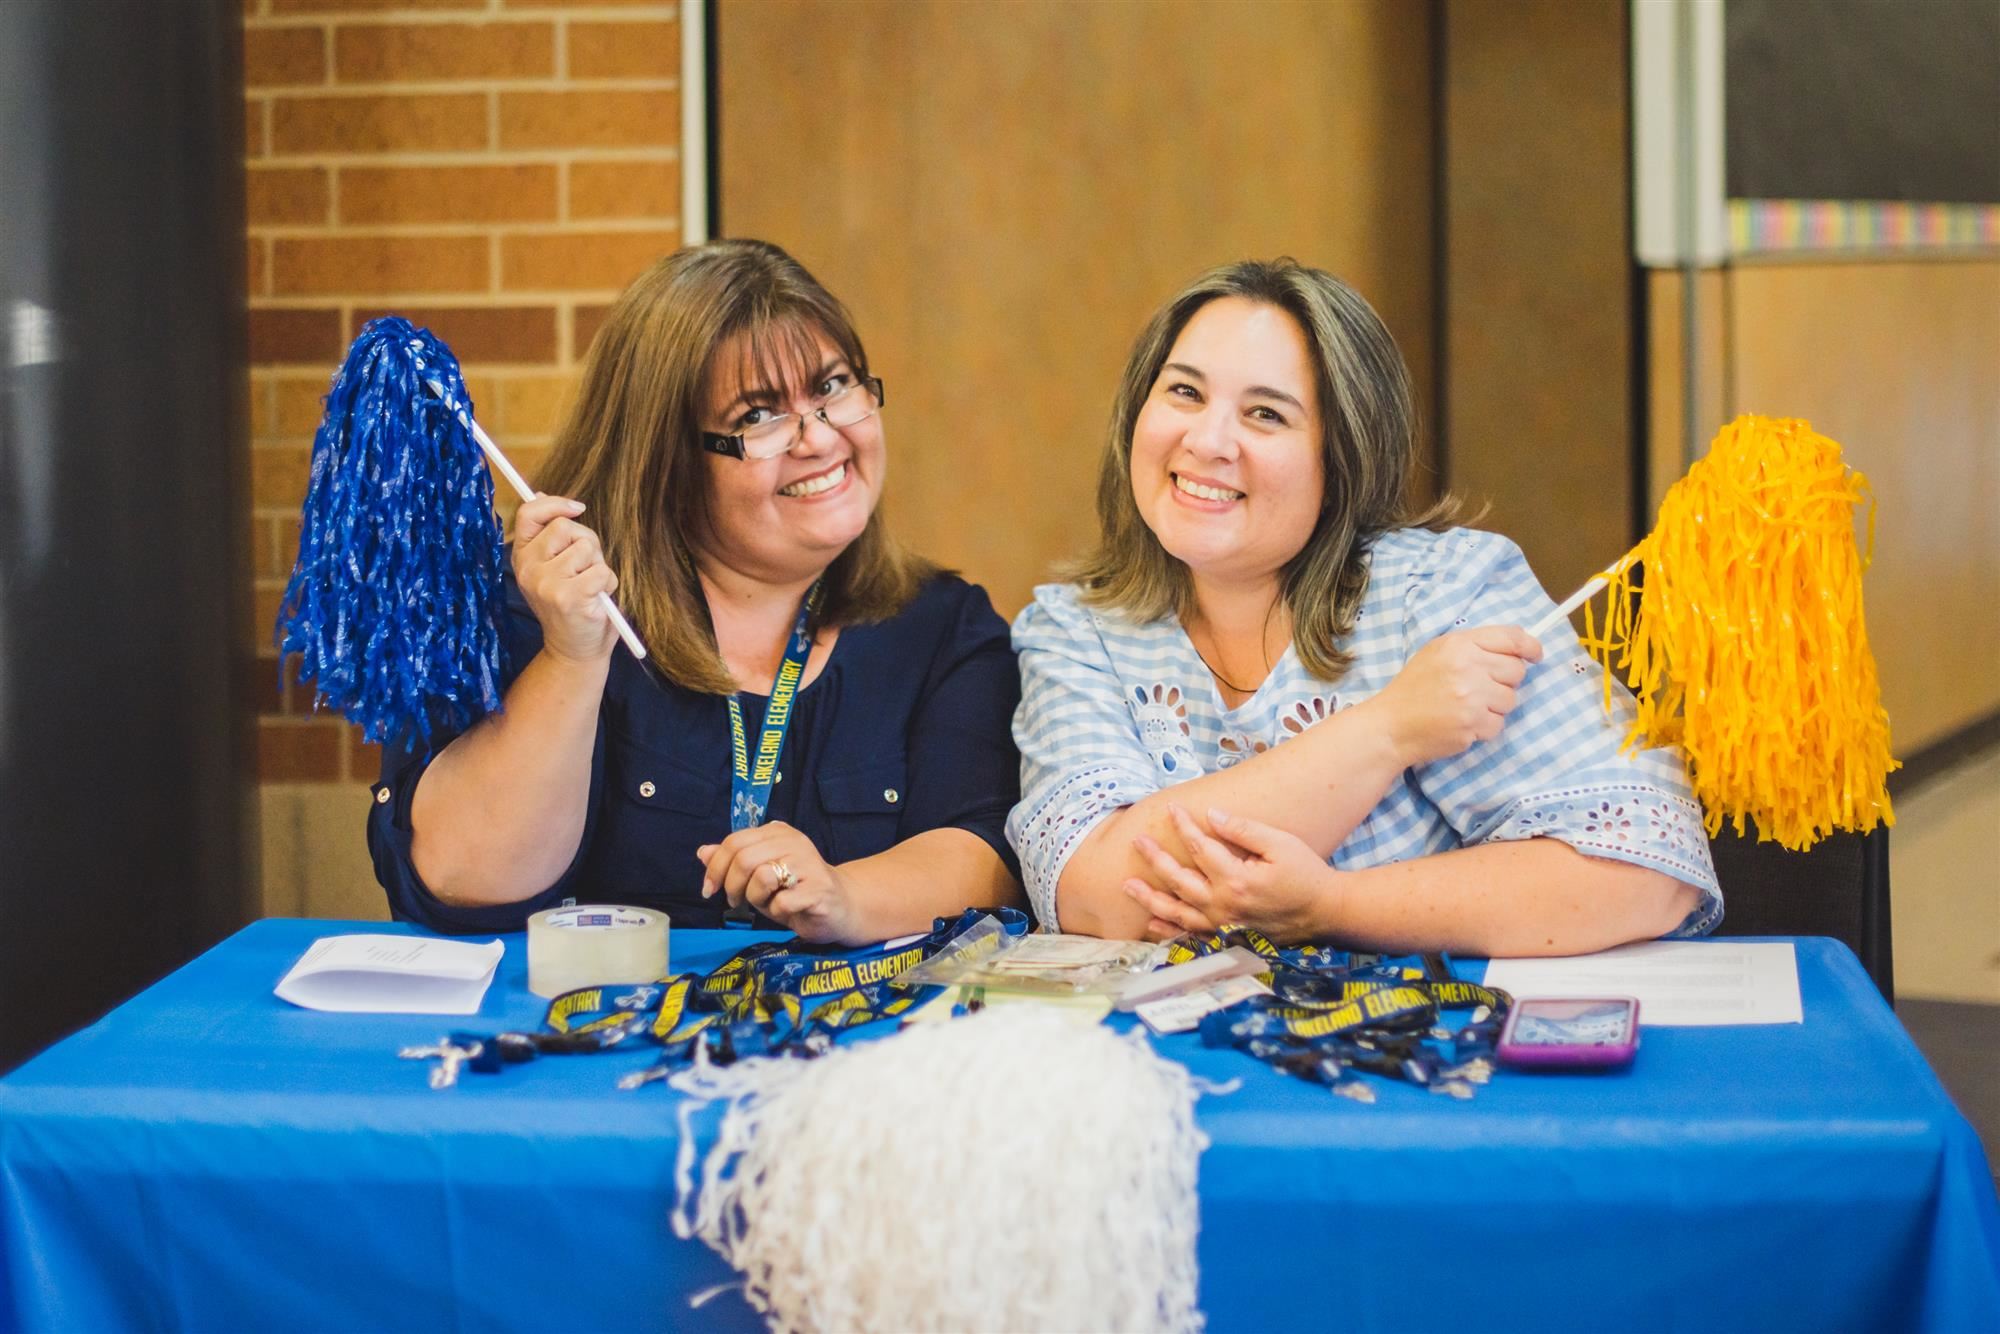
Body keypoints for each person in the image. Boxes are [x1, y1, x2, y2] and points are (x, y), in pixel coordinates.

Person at [1007, 259, 1721, 954]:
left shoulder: (1446, 592)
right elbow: (1093, 895)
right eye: (1185, 394)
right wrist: (1388, 730)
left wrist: (1331, 906)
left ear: (1341, 455)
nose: (1208, 441)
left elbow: (1649, 871)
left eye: (1265, 413)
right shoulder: (1074, 630)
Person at [369, 239, 1023, 943]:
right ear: (667, 460)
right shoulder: (544, 602)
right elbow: (462, 884)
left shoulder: (944, 628)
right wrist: (573, 656)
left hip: (859, 1042)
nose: (820, 438)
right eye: (757, 417)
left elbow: (986, 858)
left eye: (833, 387)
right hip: (587, 1034)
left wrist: (843, 895)